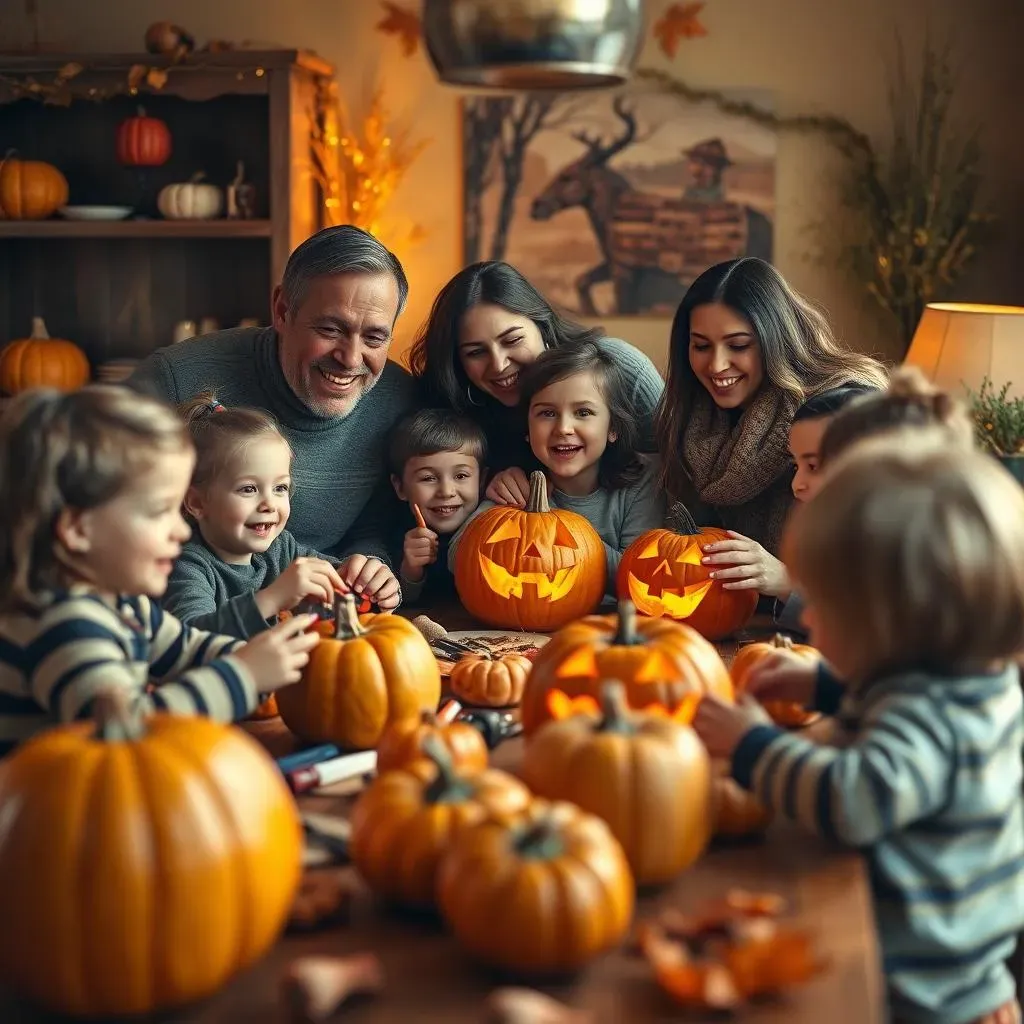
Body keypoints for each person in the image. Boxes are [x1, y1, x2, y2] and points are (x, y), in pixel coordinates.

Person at [693, 435, 1024, 1024]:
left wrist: (751, 746)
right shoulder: (961, 681)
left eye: (825, 605)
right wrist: (824, 688)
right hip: (957, 972)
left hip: (920, 994)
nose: (808, 616)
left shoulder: (931, 718)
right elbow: (897, 703)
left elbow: (854, 799)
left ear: (893, 625)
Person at [0, 387, 320, 755]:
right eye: (159, 512)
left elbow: (187, 647)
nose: (182, 530)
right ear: (78, 529)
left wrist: (272, 655)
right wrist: (245, 675)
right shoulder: (62, 625)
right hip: (49, 808)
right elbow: (127, 733)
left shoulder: (123, 603)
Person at [128, 224, 417, 605]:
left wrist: (368, 568)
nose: (350, 359)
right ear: (282, 310)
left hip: (319, 617)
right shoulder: (174, 379)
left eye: (375, 338)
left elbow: (378, 523)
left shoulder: (398, 399)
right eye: (330, 329)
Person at [656, 257, 889, 557]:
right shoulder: (689, 419)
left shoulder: (841, 408)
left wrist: (788, 583)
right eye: (701, 346)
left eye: (738, 345)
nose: (716, 365)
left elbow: (879, 557)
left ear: (775, 340)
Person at [408, 260, 664, 503]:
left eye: (512, 341)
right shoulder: (458, 410)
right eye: (476, 352)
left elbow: (676, 464)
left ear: (542, 327)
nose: (499, 365)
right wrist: (488, 487)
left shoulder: (618, 367)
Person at [164, 394, 401, 639]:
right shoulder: (185, 566)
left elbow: (338, 581)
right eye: (248, 489)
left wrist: (370, 582)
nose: (269, 504)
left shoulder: (281, 549)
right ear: (197, 502)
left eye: (280, 488)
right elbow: (189, 640)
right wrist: (273, 598)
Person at [449, 341, 664, 592]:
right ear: (527, 430)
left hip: (609, 624)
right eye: (547, 413)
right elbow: (458, 558)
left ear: (613, 427)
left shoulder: (642, 479)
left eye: (583, 412)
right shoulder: (521, 489)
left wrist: (557, 531)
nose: (563, 428)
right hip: (523, 625)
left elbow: (638, 575)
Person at [388, 408, 488, 604]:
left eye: (461, 476)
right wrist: (411, 569)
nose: (446, 491)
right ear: (400, 487)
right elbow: (400, 603)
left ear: (481, 480)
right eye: (428, 478)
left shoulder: (495, 528)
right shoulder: (394, 538)